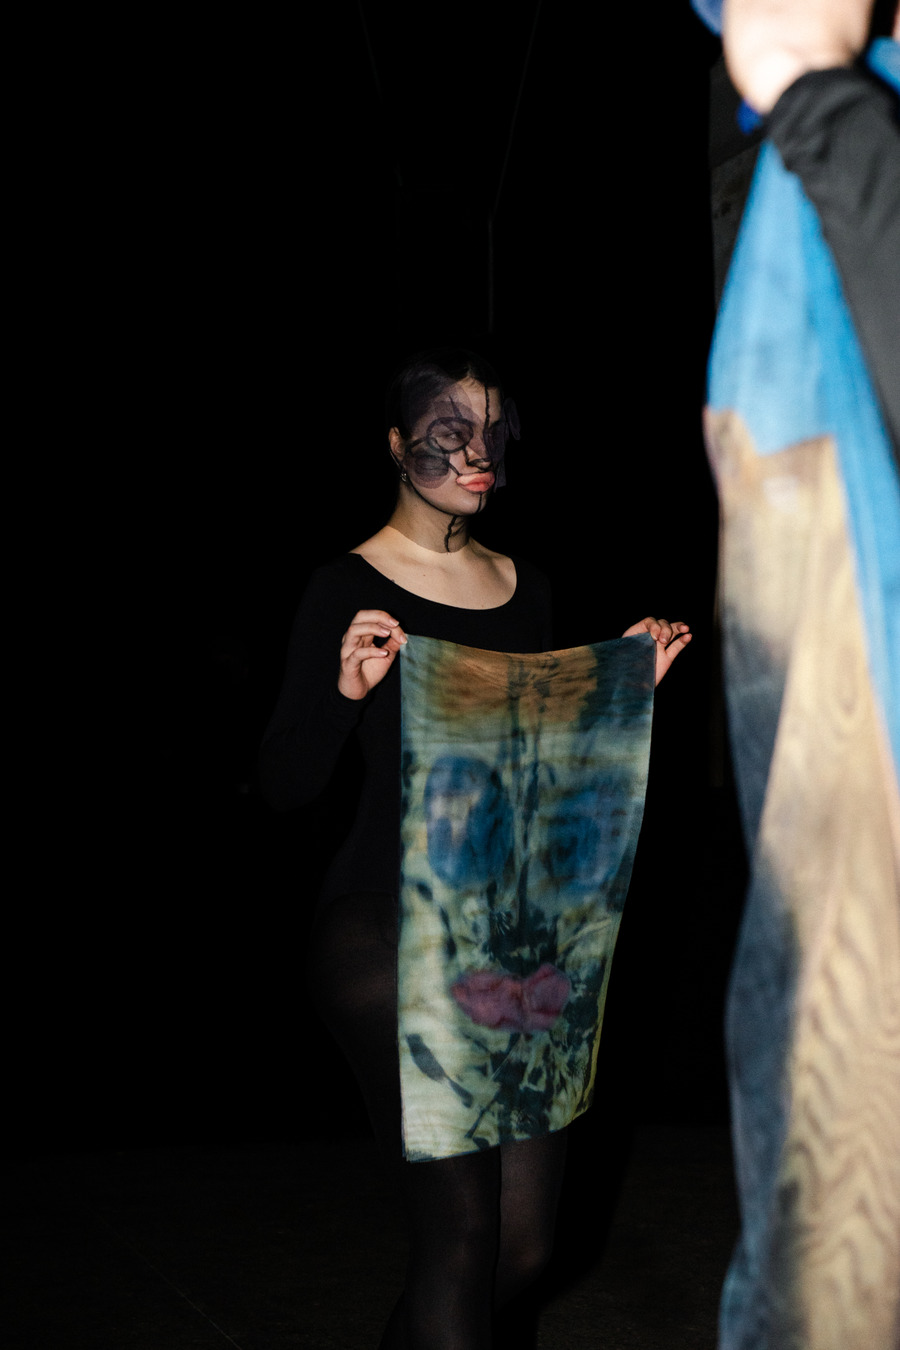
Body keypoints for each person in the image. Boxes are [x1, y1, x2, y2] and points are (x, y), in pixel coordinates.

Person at [259, 348, 691, 1350]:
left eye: (493, 431)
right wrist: (343, 693)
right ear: (396, 443)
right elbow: (283, 785)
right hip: (386, 932)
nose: (477, 453)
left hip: (508, 939)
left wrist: (618, 696)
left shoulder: (523, 584)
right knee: (459, 1239)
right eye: (449, 432)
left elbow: (529, 771)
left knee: (526, 1249)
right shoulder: (344, 585)